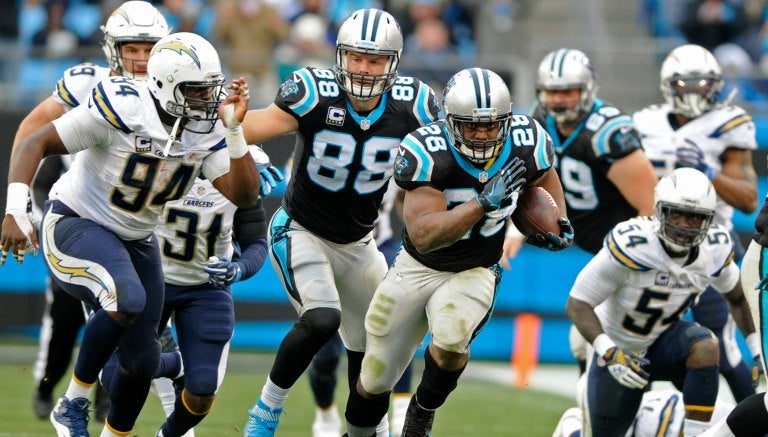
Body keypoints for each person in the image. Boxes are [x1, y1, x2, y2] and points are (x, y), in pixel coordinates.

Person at [0, 31, 261, 437]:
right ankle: (72, 401)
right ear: (167, 84)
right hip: (75, 221)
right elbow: (37, 140)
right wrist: (16, 208)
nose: (207, 100)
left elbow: (244, 195)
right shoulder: (123, 105)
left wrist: (233, 131)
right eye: (196, 90)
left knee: (141, 364)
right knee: (128, 298)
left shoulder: (206, 129)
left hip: (137, 242)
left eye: (210, 89)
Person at [239, 8, 441, 437]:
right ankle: (266, 411)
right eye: (356, 58)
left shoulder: (415, 105)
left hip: (360, 244)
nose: (364, 69)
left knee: (374, 355)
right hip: (301, 231)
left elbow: (448, 162)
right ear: (340, 56)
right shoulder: (313, 91)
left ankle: (368, 431)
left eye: (374, 60)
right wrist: (232, 122)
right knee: (322, 319)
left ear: (394, 62)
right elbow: (254, 125)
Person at [343, 67, 573, 437]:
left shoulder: (528, 140)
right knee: (373, 377)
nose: (483, 134)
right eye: (471, 126)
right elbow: (422, 236)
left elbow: (544, 178)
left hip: (476, 267)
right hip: (418, 266)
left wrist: (556, 221)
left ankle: (421, 412)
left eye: (491, 126)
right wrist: (481, 203)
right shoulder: (428, 150)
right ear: (451, 123)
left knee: (451, 336)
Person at [11, 0, 171, 422]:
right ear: (112, 48)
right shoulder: (86, 82)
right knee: (70, 309)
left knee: (136, 335)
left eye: (148, 49)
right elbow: (32, 131)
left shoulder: (177, 94)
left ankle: (100, 399)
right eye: (131, 48)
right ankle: (53, 388)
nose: (139, 59)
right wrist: (19, 204)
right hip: (78, 211)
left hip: (132, 223)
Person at [98, 145, 281, 437]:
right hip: (148, 281)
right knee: (113, 377)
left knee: (203, 391)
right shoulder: (159, 160)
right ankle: (170, 367)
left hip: (205, 288)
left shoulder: (240, 173)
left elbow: (255, 243)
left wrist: (239, 268)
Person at [565, 168, 760, 437]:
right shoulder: (632, 244)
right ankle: (571, 427)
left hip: (664, 342)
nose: (683, 224)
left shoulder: (715, 247)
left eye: (694, 217)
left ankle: (695, 434)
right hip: (619, 347)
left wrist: (756, 348)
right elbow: (578, 303)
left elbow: (737, 298)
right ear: (659, 211)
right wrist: (609, 352)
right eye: (676, 213)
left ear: (708, 220)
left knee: (706, 346)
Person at [633, 43, 760, 403]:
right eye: (687, 84)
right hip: (652, 242)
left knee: (723, 341)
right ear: (669, 85)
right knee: (635, 339)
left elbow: (749, 198)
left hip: (709, 241)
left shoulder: (728, 123)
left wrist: (710, 172)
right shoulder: (645, 123)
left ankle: (757, 421)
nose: (695, 92)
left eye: (703, 84)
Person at [531, 47, 658, 374]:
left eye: (568, 91)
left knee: (595, 333)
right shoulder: (539, 121)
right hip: (594, 244)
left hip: (626, 248)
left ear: (587, 90)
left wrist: (635, 259)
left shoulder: (607, 133)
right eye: (551, 91)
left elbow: (650, 204)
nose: (558, 100)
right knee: (585, 335)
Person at [308, 180, 414, 437]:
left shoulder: (393, 147)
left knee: (396, 324)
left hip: (379, 247)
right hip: (330, 252)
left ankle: (401, 406)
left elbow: (406, 195)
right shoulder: (322, 149)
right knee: (326, 351)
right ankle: (325, 411)